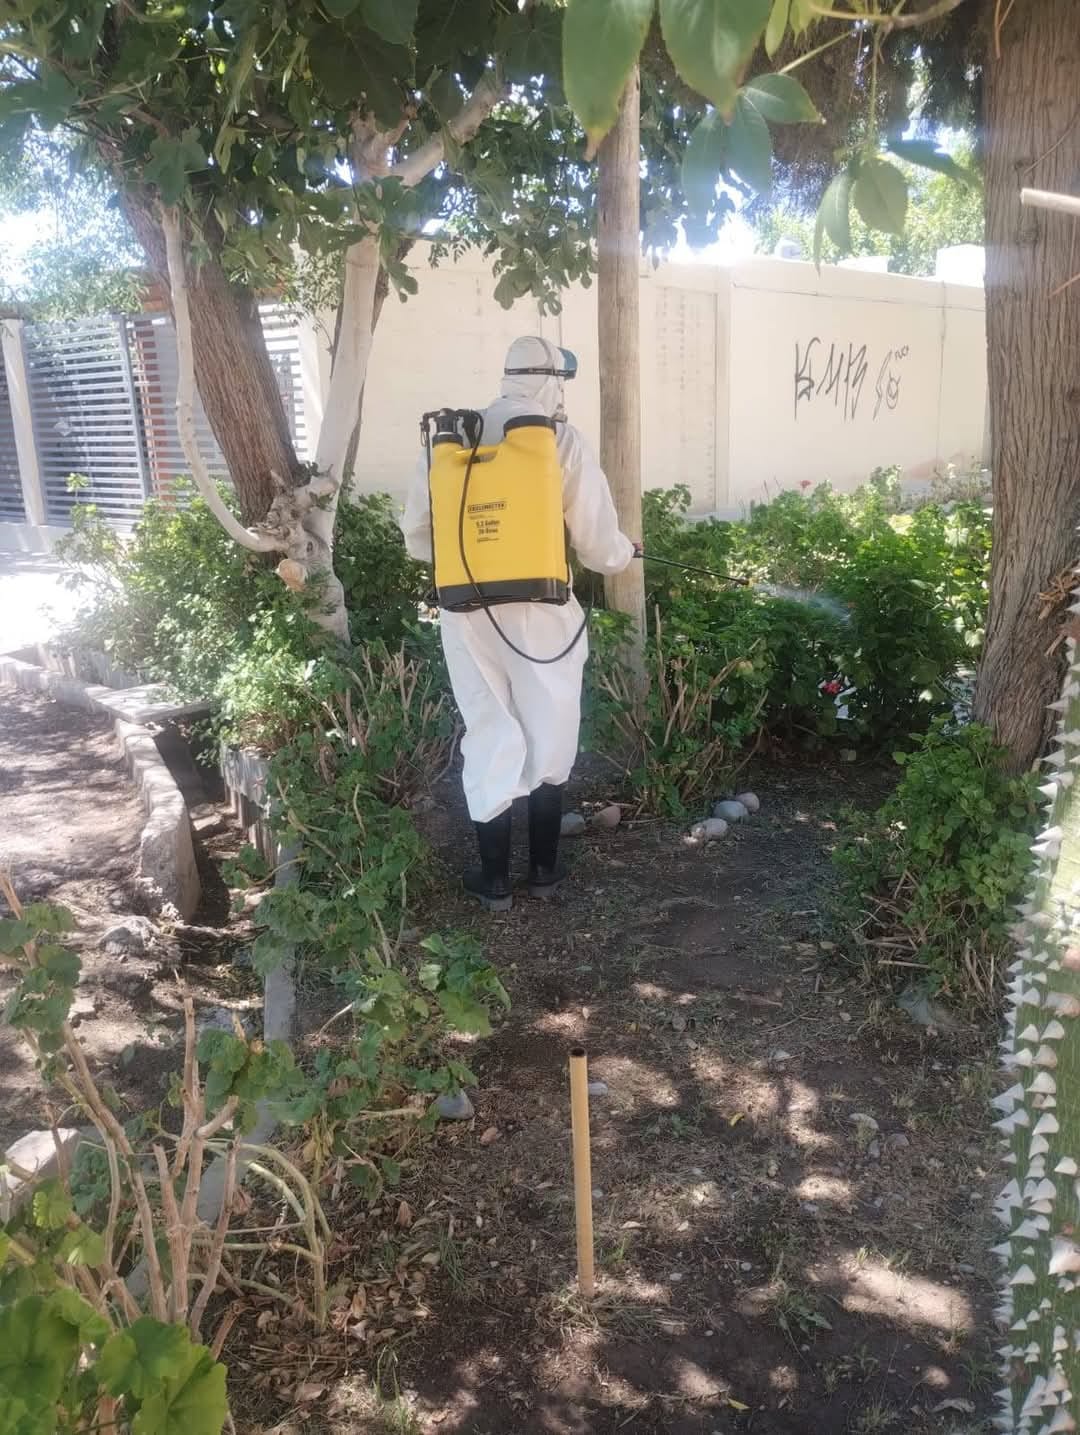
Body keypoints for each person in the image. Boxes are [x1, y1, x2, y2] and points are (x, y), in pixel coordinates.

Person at [400, 335, 636, 911]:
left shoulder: (451, 441)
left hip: (467, 613)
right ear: (554, 383)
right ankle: (545, 872)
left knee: (489, 729)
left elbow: (418, 538)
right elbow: (599, 546)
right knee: (550, 729)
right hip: (542, 612)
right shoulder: (558, 439)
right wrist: (624, 552)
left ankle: (494, 882)